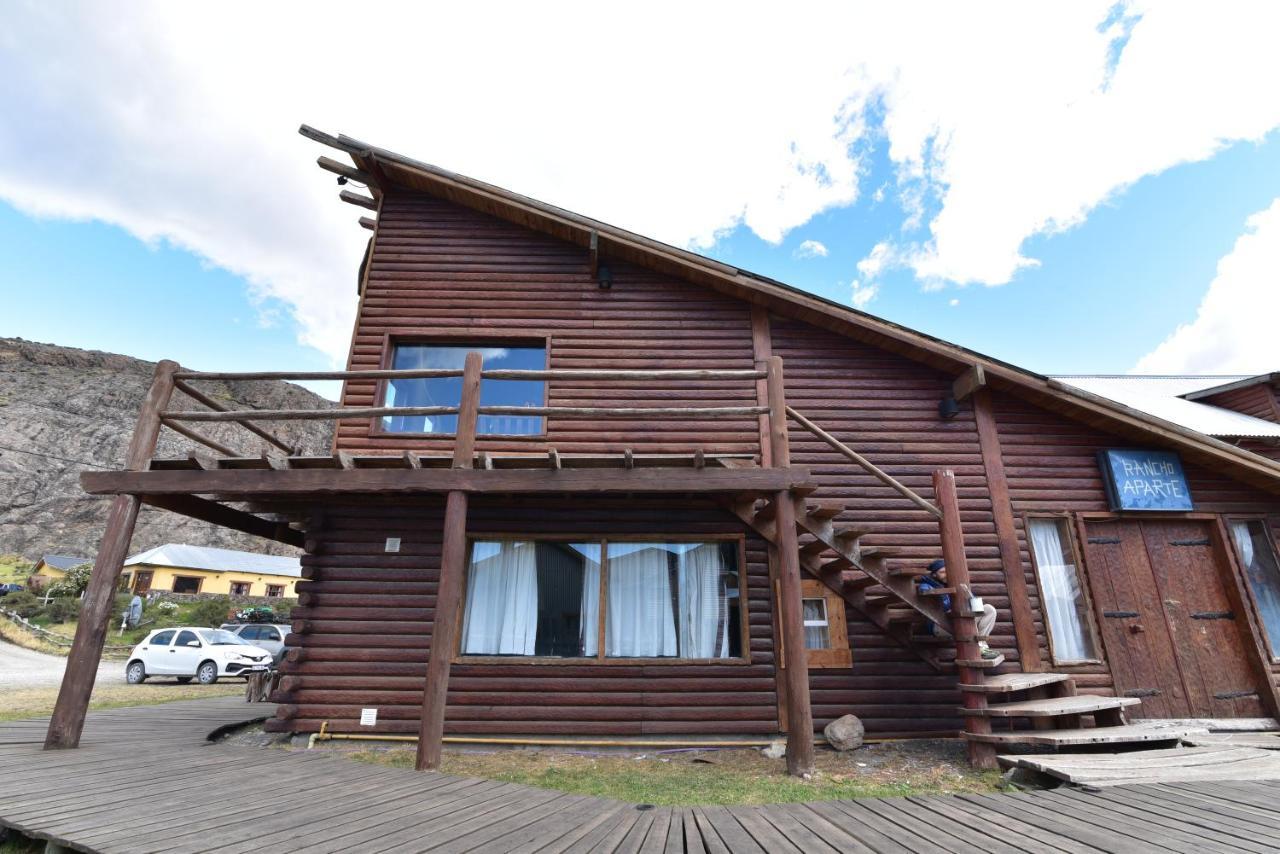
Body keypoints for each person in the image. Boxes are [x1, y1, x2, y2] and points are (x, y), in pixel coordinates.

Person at [917, 558, 999, 659]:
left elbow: (974, 603)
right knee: (964, 614)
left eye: (947, 571)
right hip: (940, 626)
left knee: (989, 609)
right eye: (942, 572)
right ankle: (979, 648)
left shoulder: (956, 584)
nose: (946, 574)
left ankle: (981, 645)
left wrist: (967, 594)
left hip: (959, 620)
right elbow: (924, 593)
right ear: (934, 574)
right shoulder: (927, 586)